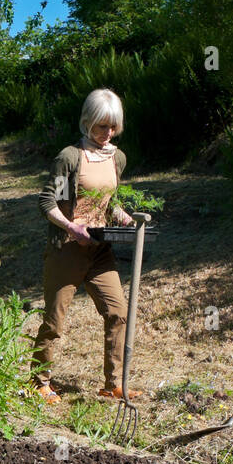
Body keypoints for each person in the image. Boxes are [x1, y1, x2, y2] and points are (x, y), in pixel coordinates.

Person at [32, 88, 149, 404]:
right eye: (101, 126)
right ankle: (40, 382)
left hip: (99, 249)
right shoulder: (69, 158)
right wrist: (72, 226)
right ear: (87, 121)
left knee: (118, 312)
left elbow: (107, 204)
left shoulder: (117, 158)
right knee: (55, 320)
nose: (107, 133)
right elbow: (47, 201)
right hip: (67, 248)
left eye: (113, 127)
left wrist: (126, 219)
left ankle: (114, 383)